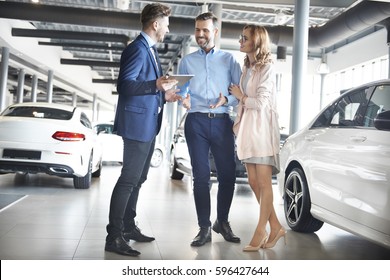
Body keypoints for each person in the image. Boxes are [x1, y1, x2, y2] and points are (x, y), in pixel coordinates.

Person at [105, 3, 180, 256]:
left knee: (139, 178)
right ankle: (114, 236)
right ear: (155, 24)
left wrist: (163, 95)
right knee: (128, 179)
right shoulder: (137, 48)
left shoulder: (149, 50)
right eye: (166, 25)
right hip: (137, 125)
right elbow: (125, 85)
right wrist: (155, 85)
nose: (168, 30)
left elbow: (147, 87)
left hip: (148, 124)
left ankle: (127, 226)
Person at [178, 12, 242, 247]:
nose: (201, 35)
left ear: (215, 32)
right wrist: (182, 99)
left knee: (227, 175)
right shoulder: (186, 61)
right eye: (197, 30)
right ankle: (204, 227)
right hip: (196, 122)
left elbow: (239, 95)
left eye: (205, 30)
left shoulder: (229, 60)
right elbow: (181, 92)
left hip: (223, 123)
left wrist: (226, 100)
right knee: (201, 176)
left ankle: (222, 222)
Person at [229, 25, 286, 251]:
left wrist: (240, 96)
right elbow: (245, 100)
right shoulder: (247, 67)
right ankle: (276, 226)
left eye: (244, 38)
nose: (240, 41)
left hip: (262, 131)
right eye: (240, 37)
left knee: (263, 183)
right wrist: (234, 98)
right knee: (253, 182)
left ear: (257, 42)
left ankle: (261, 230)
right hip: (248, 131)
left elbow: (260, 103)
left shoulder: (267, 68)